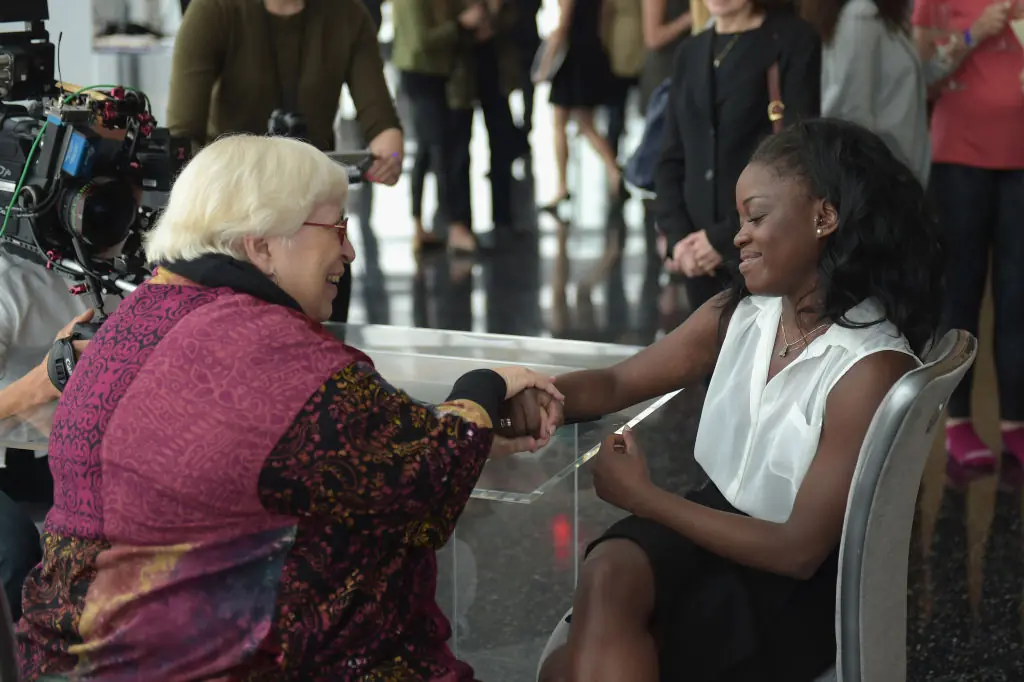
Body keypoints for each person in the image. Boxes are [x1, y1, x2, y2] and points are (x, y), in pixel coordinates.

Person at [15, 135, 562, 680]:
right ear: (263, 245)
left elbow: (300, 449)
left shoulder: (133, 319)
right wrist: (483, 387)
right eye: (336, 228)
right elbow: (426, 481)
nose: (348, 251)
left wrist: (457, 423)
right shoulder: (271, 354)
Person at [525, 118, 944, 682]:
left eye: (756, 217)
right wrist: (530, 396)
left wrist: (644, 499)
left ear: (823, 217)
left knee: (566, 668)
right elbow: (619, 383)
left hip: (788, 584)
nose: (737, 235)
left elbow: (797, 551)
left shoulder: (869, 367)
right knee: (608, 575)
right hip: (710, 528)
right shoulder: (741, 314)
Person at [167, 0, 405, 324]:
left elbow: (381, 120)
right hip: (238, 223)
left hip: (315, 222)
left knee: (325, 346)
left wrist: (389, 158)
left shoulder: (347, 13)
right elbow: (183, 135)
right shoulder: (215, 10)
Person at [910, 0, 1024, 471]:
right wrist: (976, 33)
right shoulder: (932, 4)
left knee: (1018, 297)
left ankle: (1015, 424)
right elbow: (921, 79)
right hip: (958, 161)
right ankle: (956, 423)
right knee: (961, 294)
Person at [657, 0, 821, 312]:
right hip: (695, 254)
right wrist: (679, 239)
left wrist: (722, 239)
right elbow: (671, 157)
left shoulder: (792, 40)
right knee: (706, 357)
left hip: (763, 245)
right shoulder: (690, 52)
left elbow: (797, 159)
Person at [805, 0, 931, 187]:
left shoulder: (881, 17)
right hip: (884, 174)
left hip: (896, 167)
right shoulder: (861, 15)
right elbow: (852, 109)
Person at [537, 0, 624, 211]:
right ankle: (614, 170)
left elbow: (563, 26)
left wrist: (544, 65)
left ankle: (562, 185)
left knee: (560, 124)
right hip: (590, 51)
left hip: (571, 58)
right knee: (586, 124)